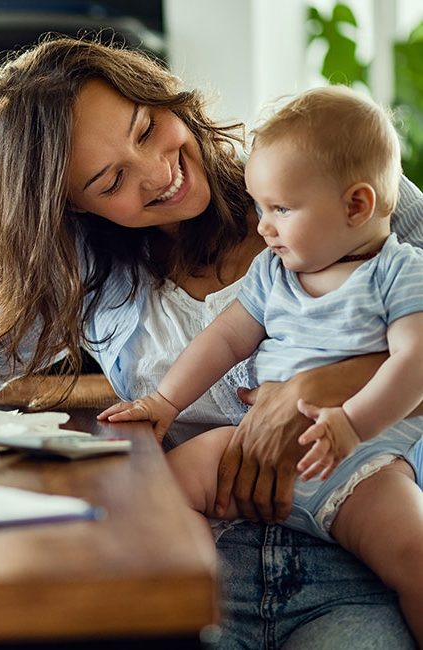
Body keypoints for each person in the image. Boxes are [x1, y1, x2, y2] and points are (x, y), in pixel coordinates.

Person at [0, 37, 423, 647]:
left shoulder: (325, 179)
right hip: (202, 560)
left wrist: (314, 387)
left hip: (359, 552)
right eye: (110, 181)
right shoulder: (95, 271)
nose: (159, 172)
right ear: (70, 210)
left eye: (148, 128)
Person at [98, 85, 423, 641]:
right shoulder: (274, 274)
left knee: (416, 553)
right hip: (249, 446)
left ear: (356, 206)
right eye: (259, 208)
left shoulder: (400, 273)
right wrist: (164, 401)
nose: (264, 227)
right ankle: (201, 606)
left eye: (281, 209)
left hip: (358, 467)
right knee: (157, 490)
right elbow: (223, 341)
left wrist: (350, 424)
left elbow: (414, 363)